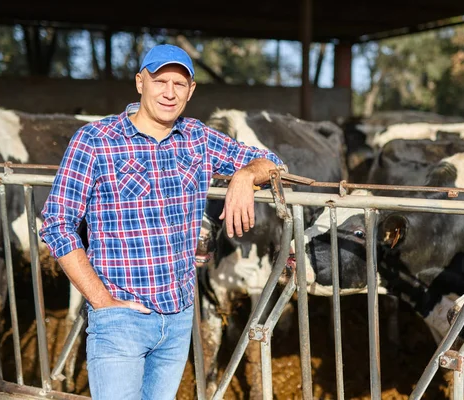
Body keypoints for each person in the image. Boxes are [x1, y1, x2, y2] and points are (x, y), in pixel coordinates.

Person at [39, 43, 284, 400]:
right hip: (120, 318)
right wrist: (101, 301)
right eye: (160, 81)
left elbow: (271, 159)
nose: (169, 92)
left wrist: (245, 176)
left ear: (191, 91)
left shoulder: (198, 138)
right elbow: (57, 223)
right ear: (141, 83)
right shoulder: (95, 140)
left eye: (179, 84)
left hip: (178, 316)